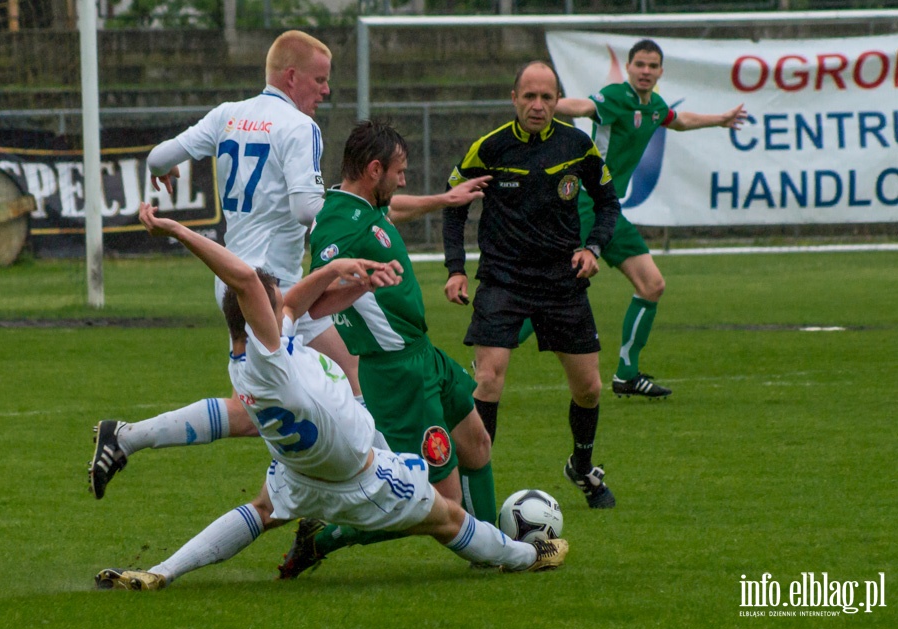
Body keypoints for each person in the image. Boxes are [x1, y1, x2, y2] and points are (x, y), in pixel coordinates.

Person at [88, 30, 489, 501]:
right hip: (268, 291)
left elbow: (158, 157)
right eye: (319, 80)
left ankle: (388, 488)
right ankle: (391, 494)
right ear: (292, 76)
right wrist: (348, 221)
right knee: (272, 409)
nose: (325, 91)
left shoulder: (228, 114)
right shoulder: (299, 128)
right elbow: (307, 209)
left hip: (248, 284)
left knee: (345, 384)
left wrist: (162, 171)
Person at [93, 201, 567, 591]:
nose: (283, 301)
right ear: (258, 314)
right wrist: (177, 229)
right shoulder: (267, 360)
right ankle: (528, 554)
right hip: (359, 477)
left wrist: (346, 275)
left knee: (260, 511)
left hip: (300, 477)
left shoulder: (251, 358)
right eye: (272, 298)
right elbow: (243, 279)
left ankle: (161, 572)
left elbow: (296, 303)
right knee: (448, 518)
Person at [276, 119, 498, 578]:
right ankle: (327, 536)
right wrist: (353, 283)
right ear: (374, 170)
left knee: (477, 444)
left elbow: (394, 211)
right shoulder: (336, 223)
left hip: (424, 354)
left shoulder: (363, 205)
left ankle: (494, 546)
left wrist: (444, 200)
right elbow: (309, 302)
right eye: (399, 171)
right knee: (443, 503)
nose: (403, 180)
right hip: (397, 375)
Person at [441, 61, 621, 510]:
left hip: (563, 281)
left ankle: (581, 467)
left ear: (558, 101)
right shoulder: (490, 148)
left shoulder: (578, 146)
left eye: (547, 97)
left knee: (590, 389)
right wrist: (456, 269)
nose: (538, 105)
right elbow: (453, 205)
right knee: (488, 379)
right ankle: (473, 492)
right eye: (529, 97)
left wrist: (593, 250)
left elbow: (607, 203)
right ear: (514, 98)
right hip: (503, 280)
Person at [538, 38, 748, 399]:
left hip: (608, 210)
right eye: (640, 65)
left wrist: (719, 120)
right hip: (586, 205)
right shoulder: (616, 96)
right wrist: (545, 103)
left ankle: (627, 375)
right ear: (630, 67)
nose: (646, 71)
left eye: (653, 66)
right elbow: (585, 106)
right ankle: (491, 357)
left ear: (660, 72)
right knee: (552, 289)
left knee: (651, 285)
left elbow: (678, 120)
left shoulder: (655, 107)